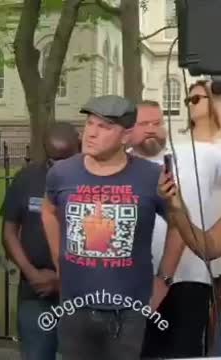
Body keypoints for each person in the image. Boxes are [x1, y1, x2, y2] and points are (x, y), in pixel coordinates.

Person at [41, 95, 183, 359]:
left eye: (104, 127)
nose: (90, 133)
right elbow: (48, 210)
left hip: (129, 310)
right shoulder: (62, 173)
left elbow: (179, 225)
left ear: (126, 136)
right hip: (75, 305)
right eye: (90, 123)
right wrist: (58, 258)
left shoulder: (152, 176)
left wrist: (164, 279)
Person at [131, 100, 219, 358]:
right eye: (143, 124)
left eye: (157, 123)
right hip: (136, 283)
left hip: (189, 280)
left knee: (184, 353)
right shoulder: (120, 163)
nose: (151, 129)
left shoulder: (199, 154)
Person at [1, 122, 80, 360]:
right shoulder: (27, 178)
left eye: (66, 159)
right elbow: (9, 231)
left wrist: (63, 280)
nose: (59, 165)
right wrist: (30, 273)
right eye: (54, 160)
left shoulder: (94, 181)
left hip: (82, 291)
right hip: (36, 291)